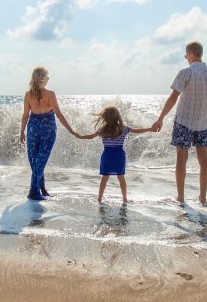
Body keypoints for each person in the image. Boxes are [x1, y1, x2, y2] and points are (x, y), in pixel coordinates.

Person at [151, 41, 207, 204]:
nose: (186, 58)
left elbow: (173, 98)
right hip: (203, 124)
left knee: (181, 161)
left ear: (190, 54)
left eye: (186, 55)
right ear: (201, 54)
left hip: (183, 122)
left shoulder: (185, 73)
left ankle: (181, 197)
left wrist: (160, 118)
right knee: (204, 161)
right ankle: (202, 198)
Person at [19, 66, 77, 201]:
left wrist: (22, 132)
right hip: (47, 129)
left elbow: (25, 116)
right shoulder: (50, 94)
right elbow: (58, 114)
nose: (48, 80)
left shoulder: (28, 94)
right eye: (47, 77)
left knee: (37, 161)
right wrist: (71, 130)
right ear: (43, 79)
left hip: (33, 127)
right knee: (39, 161)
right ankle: (34, 191)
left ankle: (41, 188)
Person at [76, 106, 153, 203]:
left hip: (107, 155)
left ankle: (99, 198)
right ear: (118, 117)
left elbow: (91, 136)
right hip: (119, 155)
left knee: (105, 178)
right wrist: (150, 129)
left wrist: (80, 136)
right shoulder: (123, 129)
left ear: (104, 117)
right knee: (121, 177)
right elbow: (137, 131)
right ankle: (124, 199)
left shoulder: (102, 130)